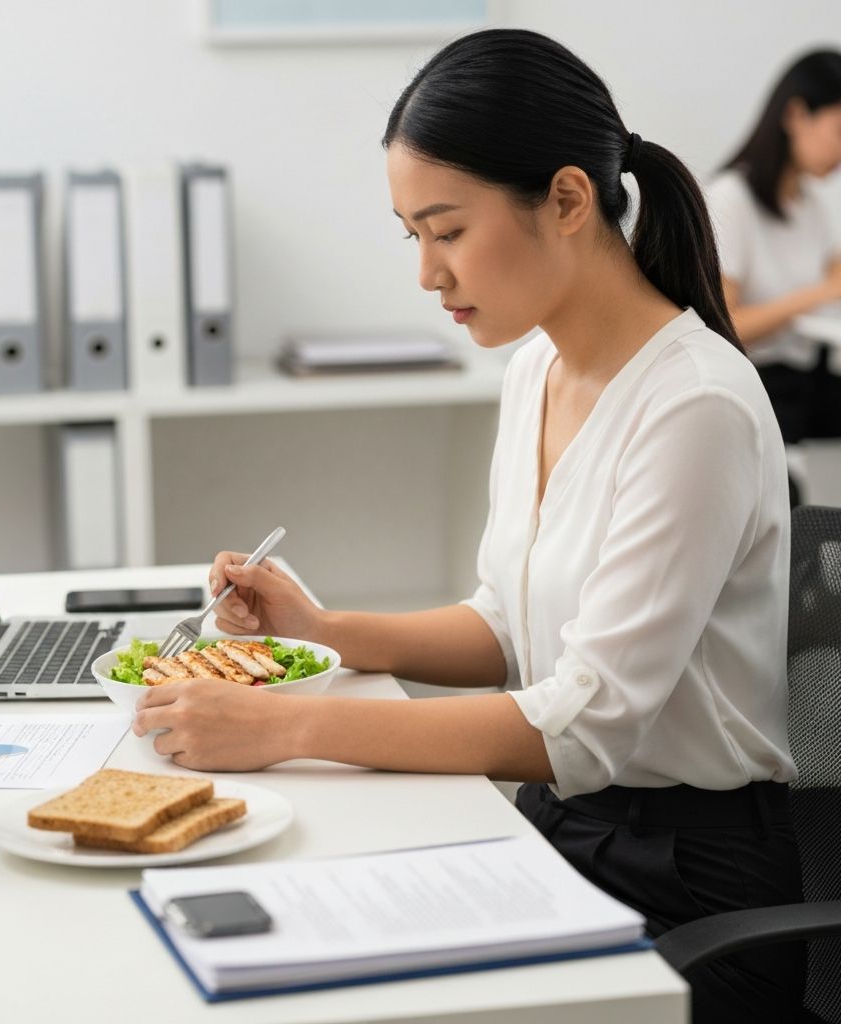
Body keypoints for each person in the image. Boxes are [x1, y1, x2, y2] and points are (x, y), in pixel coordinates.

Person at [133, 29, 803, 1021]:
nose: (427, 273)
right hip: (562, 831)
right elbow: (505, 625)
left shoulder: (694, 405)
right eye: (413, 235)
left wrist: (286, 724)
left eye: (446, 229)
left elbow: (584, 722)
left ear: (568, 200)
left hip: (687, 882)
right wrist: (319, 628)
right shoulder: (535, 368)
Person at [706, 50, 841, 505]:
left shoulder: (811, 206)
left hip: (806, 383)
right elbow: (725, 326)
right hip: (754, 387)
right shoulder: (731, 199)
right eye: (840, 130)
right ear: (796, 114)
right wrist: (816, 295)